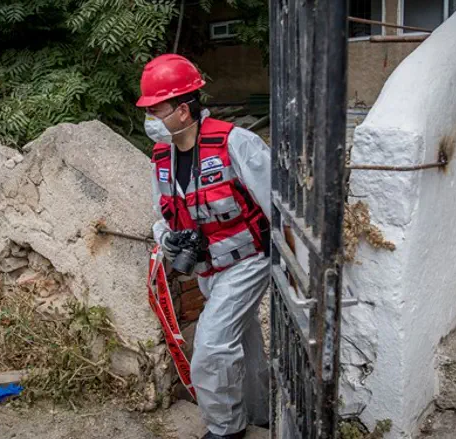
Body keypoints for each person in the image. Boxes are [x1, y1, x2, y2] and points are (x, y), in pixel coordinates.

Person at [137, 54, 271, 439]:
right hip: (206, 270)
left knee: (212, 348)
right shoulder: (161, 157)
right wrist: (168, 238)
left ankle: (226, 428)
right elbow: (162, 217)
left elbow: (277, 203)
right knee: (245, 342)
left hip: (247, 260)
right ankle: (260, 413)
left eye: (155, 109)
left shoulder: (236, 143)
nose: (149, 119)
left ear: (182, 110)